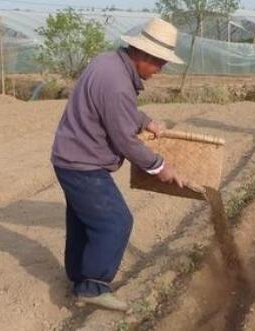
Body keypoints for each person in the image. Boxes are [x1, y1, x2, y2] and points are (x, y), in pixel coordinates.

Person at [51, 18, 184, 311]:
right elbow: (125, 139)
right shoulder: (117, 84)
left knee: (85, 220)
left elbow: (118, 111)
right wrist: (160, 166)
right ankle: (92, 286)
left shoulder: (108, 62)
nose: (160, 70)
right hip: (82, 162)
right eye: (159, 64)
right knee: (115, 221)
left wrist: (145, 120)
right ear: (144, 56)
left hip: (71, 156)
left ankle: (78, 277)